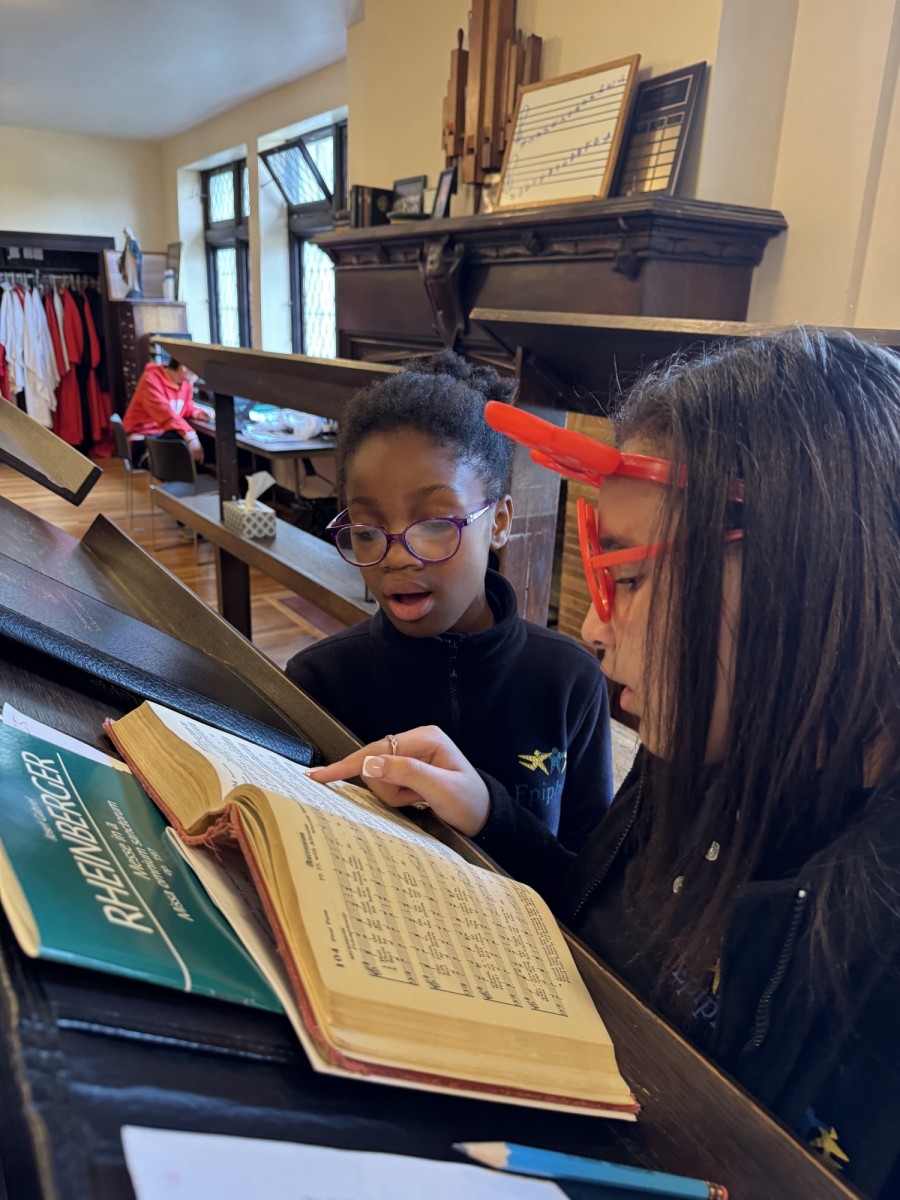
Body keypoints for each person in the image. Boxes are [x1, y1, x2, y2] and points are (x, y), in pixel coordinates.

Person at [311, 329, 900, 1198]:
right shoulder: (701, 751)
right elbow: (603, 936)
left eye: (628, 577)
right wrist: (491, 816)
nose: (591, 625)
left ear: (794, 573)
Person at [287, 351, 614, 850]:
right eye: (369, 529)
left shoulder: (568, 680)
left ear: (500, 521)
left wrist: (491, 813)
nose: (395, 556)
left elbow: (592, 880)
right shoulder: (321, 680)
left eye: (436, 523)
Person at [122, 357, 213, 465]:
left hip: (163, 433)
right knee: (188, 453)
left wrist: (197, 412)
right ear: (183, 368)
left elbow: (185, 406)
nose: (198, 375)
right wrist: (191, 437)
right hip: (144, 438)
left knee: (207, 447)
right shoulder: (150, 380)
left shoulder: (186, 382)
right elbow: (166, 414)